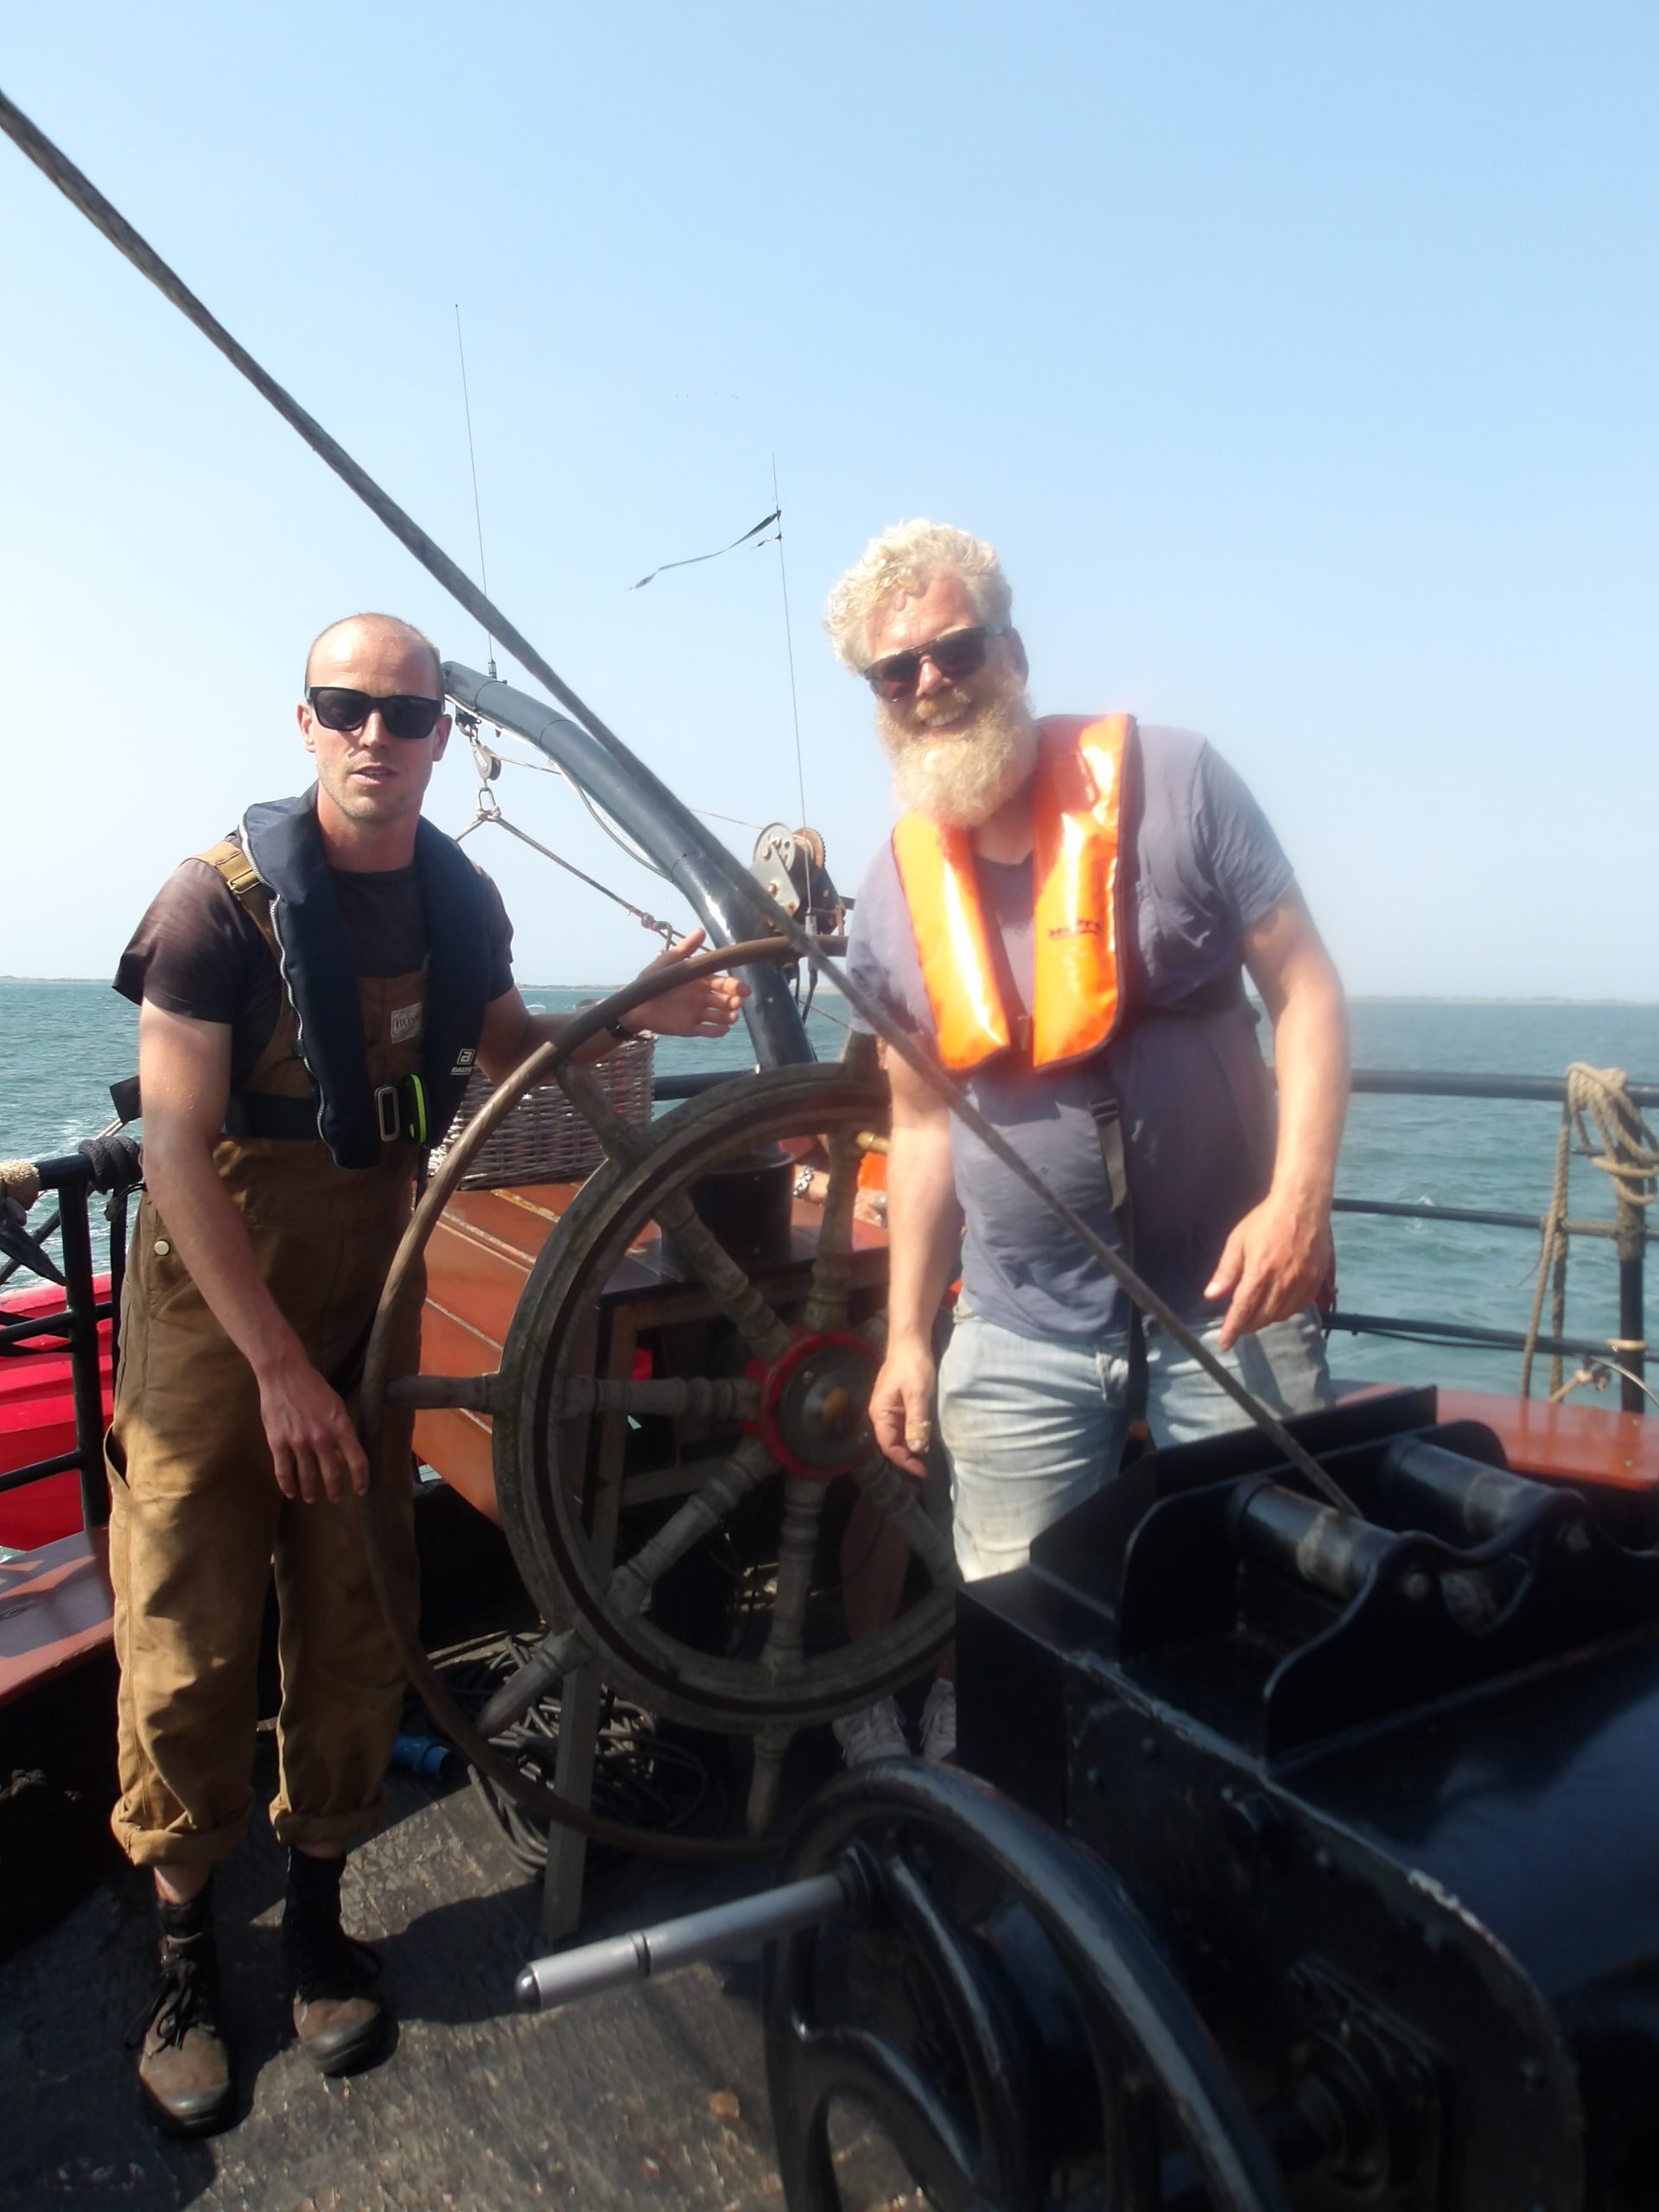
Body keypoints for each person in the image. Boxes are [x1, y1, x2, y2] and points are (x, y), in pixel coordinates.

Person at [110, 612, 747, 2133]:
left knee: (356, 1612)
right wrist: (277, 1368)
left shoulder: (458, 903)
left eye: (406, 716)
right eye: (348, 708)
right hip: (218, 1319)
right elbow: (174, 1149)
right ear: (306, 723)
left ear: (441, 741)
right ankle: (186, 1963)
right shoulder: (212, 909)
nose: (376, 738)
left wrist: (640, 1015)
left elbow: (511, 1052)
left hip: (369, 1298)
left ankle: (321, 1930)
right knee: (188, 1634)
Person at [829, 521, 1348, 1641]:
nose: (932, 684)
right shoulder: (892, 892)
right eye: (897, 671)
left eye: (956, 650)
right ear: (879, 699)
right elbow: (919, 1128)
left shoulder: (1180, 783)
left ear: (1011, 654)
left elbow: (1306, 989)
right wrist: (908, 1335)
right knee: (1025, 1641)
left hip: (1234, 1302)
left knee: (1277, 1625)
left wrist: (1299, 1203)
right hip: (1018, 1330)